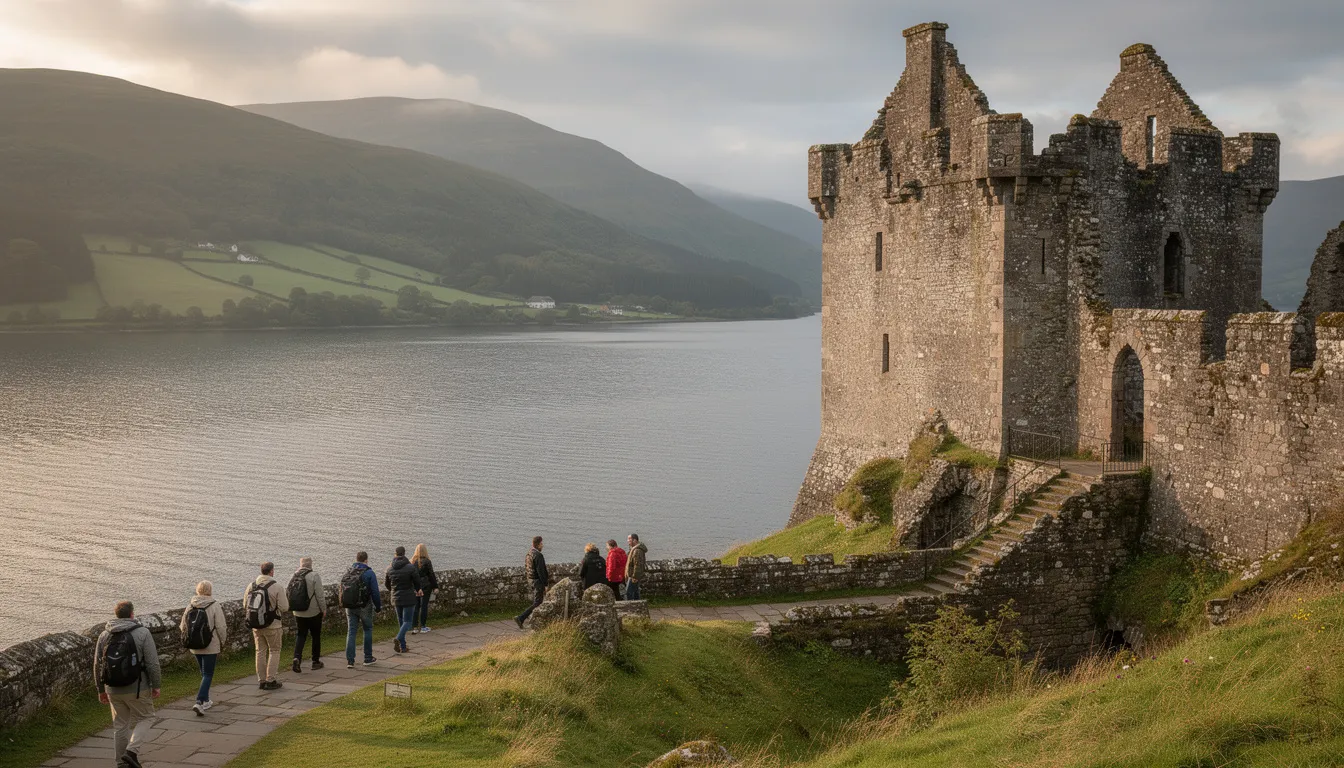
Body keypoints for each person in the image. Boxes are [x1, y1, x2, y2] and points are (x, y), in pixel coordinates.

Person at [93, 600, 161, 768]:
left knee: (120, 725)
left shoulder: (104, 635)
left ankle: (121, 763)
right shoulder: (142, 633)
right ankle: (131, 752)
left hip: (112, 688)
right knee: (147, 717)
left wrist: (100, 689)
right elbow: (152, 663)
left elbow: (97, 665)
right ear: (132, 614)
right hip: (137, 687)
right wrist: (156, 684)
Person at [179, 581, 227, 717]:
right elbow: (221, 627)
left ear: (198, 590)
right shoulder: (214, 605)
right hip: (210, 645)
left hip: (194, 645)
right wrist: (223, 641)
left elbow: (182, 626)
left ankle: (206, 700)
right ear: (210, 590)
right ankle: (199, 701)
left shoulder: (191, 605)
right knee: (208, 674)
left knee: (204, 673)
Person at [244, 561, 289, 690]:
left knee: (260, 651)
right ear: (271, 571)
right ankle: (271, 679)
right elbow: (284, 607)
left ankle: (261, 680)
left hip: (256, 625)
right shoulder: (276, 587)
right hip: (273, 625)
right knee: (274, 651)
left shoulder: (251, 586)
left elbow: (245, 604)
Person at [340, 551, 382, 669]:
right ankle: (368, 658)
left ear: (356, 559)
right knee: (367, 629)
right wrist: (378, 607)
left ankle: (350, 661)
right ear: (366, 560)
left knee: (351, 631)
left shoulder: (348, 572)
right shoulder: (369, 573)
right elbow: (375, 592)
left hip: (350, 606)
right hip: (364, 606)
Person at [289, 556, 326, 673]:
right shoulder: (314, 575)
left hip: (298, 611)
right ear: (311, 564)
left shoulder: (294, 575)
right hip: (313, 611)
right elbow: (320, 595)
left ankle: (297, 658)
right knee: (316, 636)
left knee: (301, 635)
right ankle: (315, 661)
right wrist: (323, 609)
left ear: (301, 565)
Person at [384, 545, 424, 654]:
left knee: (401, 622)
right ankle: (398, 638)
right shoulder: (410, 567)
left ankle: (403, 646)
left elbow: (387, 584)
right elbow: (417, 581)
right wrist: (418, 589)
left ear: (395, 554)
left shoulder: (389, 568)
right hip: (408, 597)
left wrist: (394, 591)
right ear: (404, 554)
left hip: (396, 598)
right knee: (408, 622)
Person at [513, 536, 548, 629]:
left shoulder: (529, 553)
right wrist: (546, 584)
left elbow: (527, 567)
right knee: (538, 602)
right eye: (541, 544)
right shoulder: (538, 555)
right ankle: (521, 618)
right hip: (537, 581)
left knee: (537, 601)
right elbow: (541, 571)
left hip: (531, 580)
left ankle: (532, 619)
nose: (542, 545)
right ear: (538, 544)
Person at [411, 543, 439, 634]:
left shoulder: (412, 561)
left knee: (416, 606)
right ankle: (423, 626)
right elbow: (431, 575)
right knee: (424, 606)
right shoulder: (427, 561)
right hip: (426, 586)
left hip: (416, 586)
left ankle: (414, 627)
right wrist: (435, 587)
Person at [625, 533, 648, 601]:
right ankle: (638, 606)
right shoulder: (633, 549)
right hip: (632, 574)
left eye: (629, 539)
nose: (628, 541)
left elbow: (638, 564)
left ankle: (631, 607)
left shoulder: (637, 551)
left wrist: (635, 577)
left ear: (634, 540)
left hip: (633, 575)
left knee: (629, 592)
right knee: (635, 592)